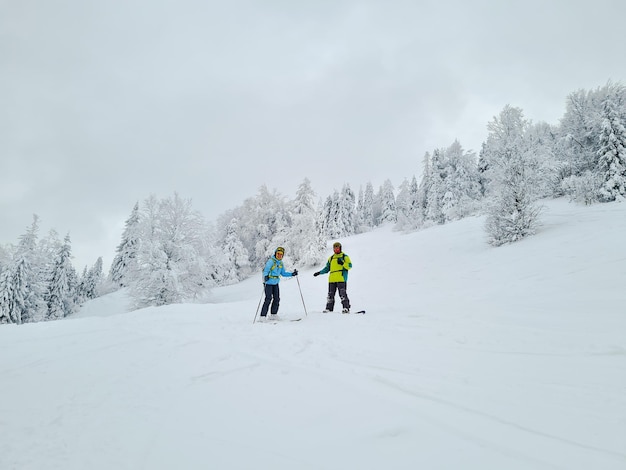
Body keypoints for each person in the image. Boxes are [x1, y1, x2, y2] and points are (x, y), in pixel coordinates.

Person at [259, 247, 298, 321]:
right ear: (275, 254)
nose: (279, 256)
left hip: (275, 283)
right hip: (268, 282)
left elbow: (283, 273)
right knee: (268, 298)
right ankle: (262, 316)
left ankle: (273, 314)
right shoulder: (271, 261)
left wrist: (292, 274)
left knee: (277, 298)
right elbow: (266, 270)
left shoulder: (280, 263)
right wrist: (266, 276)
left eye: (281, 254)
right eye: (278, 254)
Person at [313, 241, 352, 313]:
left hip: (341, 278)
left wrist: (343, 263)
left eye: (338, 248)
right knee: (330, 295)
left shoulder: (344, 257)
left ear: (340, 248)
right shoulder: (331, 258)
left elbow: (349, 266)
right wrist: (319, 273)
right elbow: (327, 268)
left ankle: (346, 308)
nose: (336, 250)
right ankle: (329, 309)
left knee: (342, 294)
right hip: (332, 280)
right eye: (335, 248)